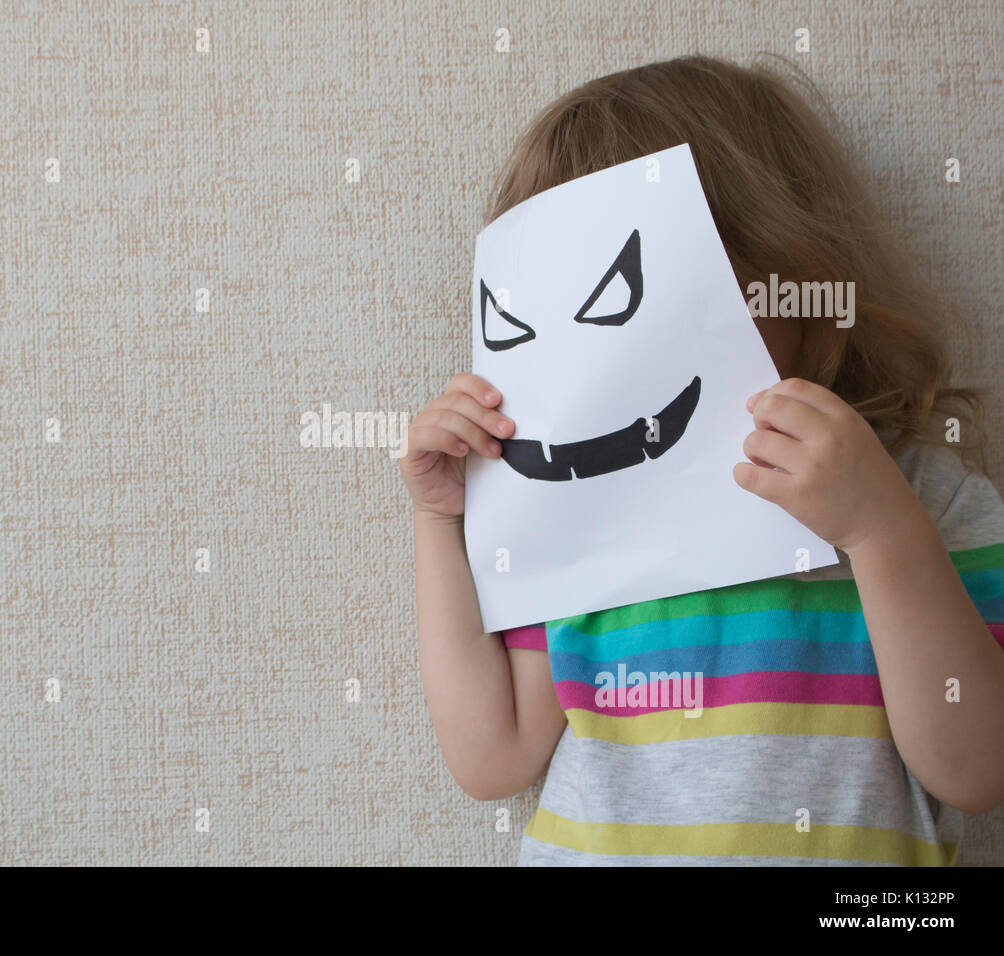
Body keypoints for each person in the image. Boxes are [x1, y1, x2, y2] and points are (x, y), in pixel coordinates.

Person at [401, 55, 1004, 865]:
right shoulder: (572, 513)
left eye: (629, 294)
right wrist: (439, 519)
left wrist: (880, 531)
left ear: (790, 273)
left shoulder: (920, 494)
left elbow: (978, 767)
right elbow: (493, 755)